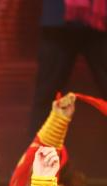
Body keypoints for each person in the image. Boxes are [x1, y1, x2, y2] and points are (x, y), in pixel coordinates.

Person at [29, 0, 107, 137]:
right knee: (47, 98)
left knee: (46, 98)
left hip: (98, 19)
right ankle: (40, 149)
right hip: (59, 19)